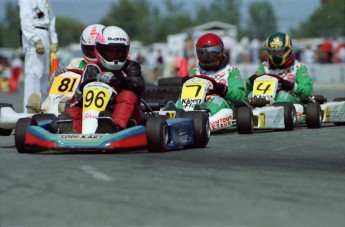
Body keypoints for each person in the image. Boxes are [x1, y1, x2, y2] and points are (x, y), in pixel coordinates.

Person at [59, 26, 145, 134]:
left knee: (127, 95)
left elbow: (139, 84)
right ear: (99, 50)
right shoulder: (91, 68)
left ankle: (114, 128)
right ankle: (72, 133)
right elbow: (81, 93)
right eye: (111, 51)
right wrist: (79, 96)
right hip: (95, 110)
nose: (115, 55)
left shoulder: (131, 66)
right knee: (73, 111)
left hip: (123, 113)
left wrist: (118, 80)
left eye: (119, 51)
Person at [27, 24, 105, 113]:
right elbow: (51, 86)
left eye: (96, 50)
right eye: (90, 50)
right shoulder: (76, 63)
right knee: (62, 84)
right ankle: (42, 110)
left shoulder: (110, 66)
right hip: (65, 100)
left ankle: (63, 108)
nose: (94, 54)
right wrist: (56, 75)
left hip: (89, 103)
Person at [170, 33, 246, 116]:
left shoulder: (230, 71)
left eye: (211, 55)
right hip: (196, 104)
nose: (206, 58)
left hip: (221, 106)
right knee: (180, 102)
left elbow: (240, 95)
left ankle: (205, 115)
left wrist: (224, 91)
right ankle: (172, 114)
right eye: (203, 54)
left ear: (220, 53)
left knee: (218, 100)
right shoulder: (195, 72)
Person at [246, 32, 313, 103]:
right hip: (265, 99)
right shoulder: (264, 66)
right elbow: (249, 87)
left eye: (279, 51)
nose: (275, 55)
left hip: (290, 102)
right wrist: (251, 81)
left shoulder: (298, 67)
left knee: (282, 95)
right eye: (272, 51)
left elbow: (307, 90)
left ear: (287, 50)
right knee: (250, 96)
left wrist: (292, 87)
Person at [18, 0, 59, 112]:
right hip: (34, 34)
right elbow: (25, 20)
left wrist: (54, 39)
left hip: (45, 34)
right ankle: (29, 110)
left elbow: (51, 19)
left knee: (45, 76)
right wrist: (35, 40)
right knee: (34, 75)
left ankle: (44, 108)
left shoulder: (46, 1)